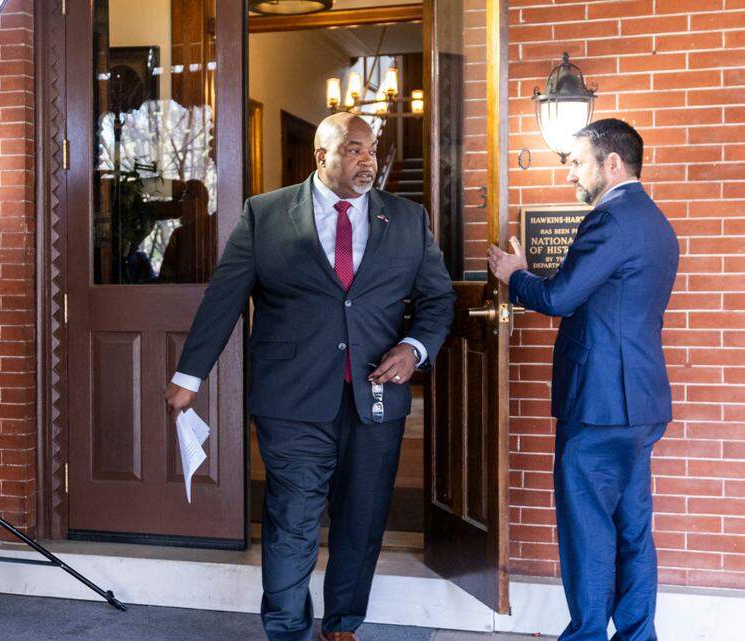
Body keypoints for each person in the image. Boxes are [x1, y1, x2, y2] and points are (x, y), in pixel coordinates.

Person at [166, 112, 456, 641]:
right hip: (291, 399)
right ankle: (287, 630)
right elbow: (223, 299)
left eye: (371, 149)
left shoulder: (408, 219)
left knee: (361, 520)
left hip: (375, 399)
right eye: (353, 149)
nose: (367, 159)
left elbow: (438, 299)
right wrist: (191, 374)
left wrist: (414, 349)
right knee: (292, 519)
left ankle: (342, 625)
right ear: (320, 156)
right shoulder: (266, 214)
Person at [488, 118, 678, 641]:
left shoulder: (610, 219)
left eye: (577, 161)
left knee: (588, 533)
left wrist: (514, 275)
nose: (570, 172)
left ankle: (588, 636)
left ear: (610, 162)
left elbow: (559, 298)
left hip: (599, 407)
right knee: (631, 530)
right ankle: (637, 636)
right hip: (639, 405)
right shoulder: (655, 221)